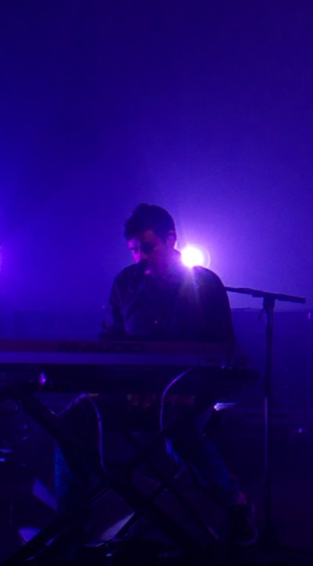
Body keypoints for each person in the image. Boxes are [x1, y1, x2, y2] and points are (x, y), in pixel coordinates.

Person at [54, 202, 255, 542]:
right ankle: (71, 526)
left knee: (180, 431)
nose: (141, 257)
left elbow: (223, 348)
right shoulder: (126, 283)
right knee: (72, 421)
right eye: (134, 250)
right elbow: (111, 342)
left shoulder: (204, 284)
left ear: (171, 239)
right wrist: (112, 384)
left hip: (187, 393)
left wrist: (192, 391)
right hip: (131, 393)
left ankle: (236, 506)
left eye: (148, 247)